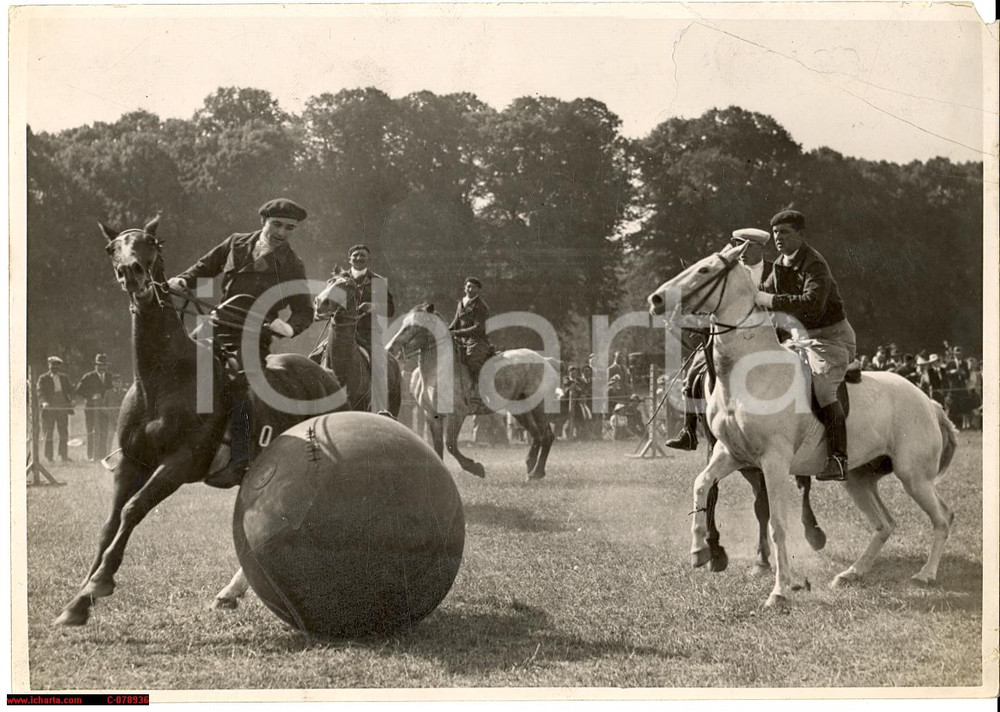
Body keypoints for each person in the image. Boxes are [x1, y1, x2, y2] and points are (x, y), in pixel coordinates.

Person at [167, 198, 314, 470]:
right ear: (263, 221)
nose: (282, 233)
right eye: (277, 225)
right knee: (172, 361)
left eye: (289, 228)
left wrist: (289, 327)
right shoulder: (236, 242)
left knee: (240, 384)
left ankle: (240, 457)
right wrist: (184, 280)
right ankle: (148, 438)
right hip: (217, 321)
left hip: (252, 334)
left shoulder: (293, 264)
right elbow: (205, 267)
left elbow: (305, 310)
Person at [756, 210, 857, 481]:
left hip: (831, 339)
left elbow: (813, 305)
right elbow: (762, 296)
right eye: (776, 233)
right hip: (800, 338)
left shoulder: (814, 264)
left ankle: (838, 459)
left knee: (823, 388)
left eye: (785, 232)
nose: (779, 237)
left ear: (801, 234)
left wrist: (771, 301)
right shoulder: (780, 263)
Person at [666, 227, 775, 451]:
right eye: (738, 245)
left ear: (761, 248)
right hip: (728, 338)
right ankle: (689, 431)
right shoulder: (729, 272)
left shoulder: (776, 271)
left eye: (748, 246)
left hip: (768, 337)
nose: (741, 250)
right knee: (694, 372)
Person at [448, 277, 494, 411]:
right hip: (462, 339)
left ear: (478, 290)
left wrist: (457, 333)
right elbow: (456, 321)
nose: (469, 289)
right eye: (468, 286)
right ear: (464, 287)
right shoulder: (461, 303)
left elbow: (478, 328)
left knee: (473, 361)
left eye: (473, 287)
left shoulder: (481, 306)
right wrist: (446, 331)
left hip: (477, 341)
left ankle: (481, 392)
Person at [346, 244, 395, 350]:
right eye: (355, 255)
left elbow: (390, 310)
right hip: (342, 330)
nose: (358, 258)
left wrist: (372, 306)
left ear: (369, 260)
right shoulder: (339, 279)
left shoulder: (378, 281)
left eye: (363, 255)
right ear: (349, 259)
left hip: (368, 334)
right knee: (315, 358)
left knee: (379, 364)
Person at [36, 356, 75, 463]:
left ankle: (64, 456)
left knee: (63, 432)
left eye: (57, 366)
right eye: (52, 365)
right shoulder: (43, 378)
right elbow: (40, 392)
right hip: (49, 408)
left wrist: (72, 400)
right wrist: (44, 402)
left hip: (62, 407)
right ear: (48, 365)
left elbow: (70, 390)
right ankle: (49, 457)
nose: (54, 367)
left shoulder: (64, 378)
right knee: (48, 432)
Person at [76, 353, 113, 461]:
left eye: (104, 365)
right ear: (95, 365)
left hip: (105, 410)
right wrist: (91, 396)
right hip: (91, 409)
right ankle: (91, 455)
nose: (102, 367)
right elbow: (79, 390)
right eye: (99, 365)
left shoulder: (110, 377)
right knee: (91, 432)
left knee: (104, 431)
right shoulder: (88, 377)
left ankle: (103, 456)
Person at [101, 373, 129, 456]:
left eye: (119, 381)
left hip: (123, 419)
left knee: (123, 438)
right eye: (115, 382)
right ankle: (108, 455)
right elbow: (103, 406)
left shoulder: (125, 392)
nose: (117, 383)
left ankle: (124, 456)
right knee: (110, 438)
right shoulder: (108, 393)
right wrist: (109, 413)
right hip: (111, 419)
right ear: (112, 383)